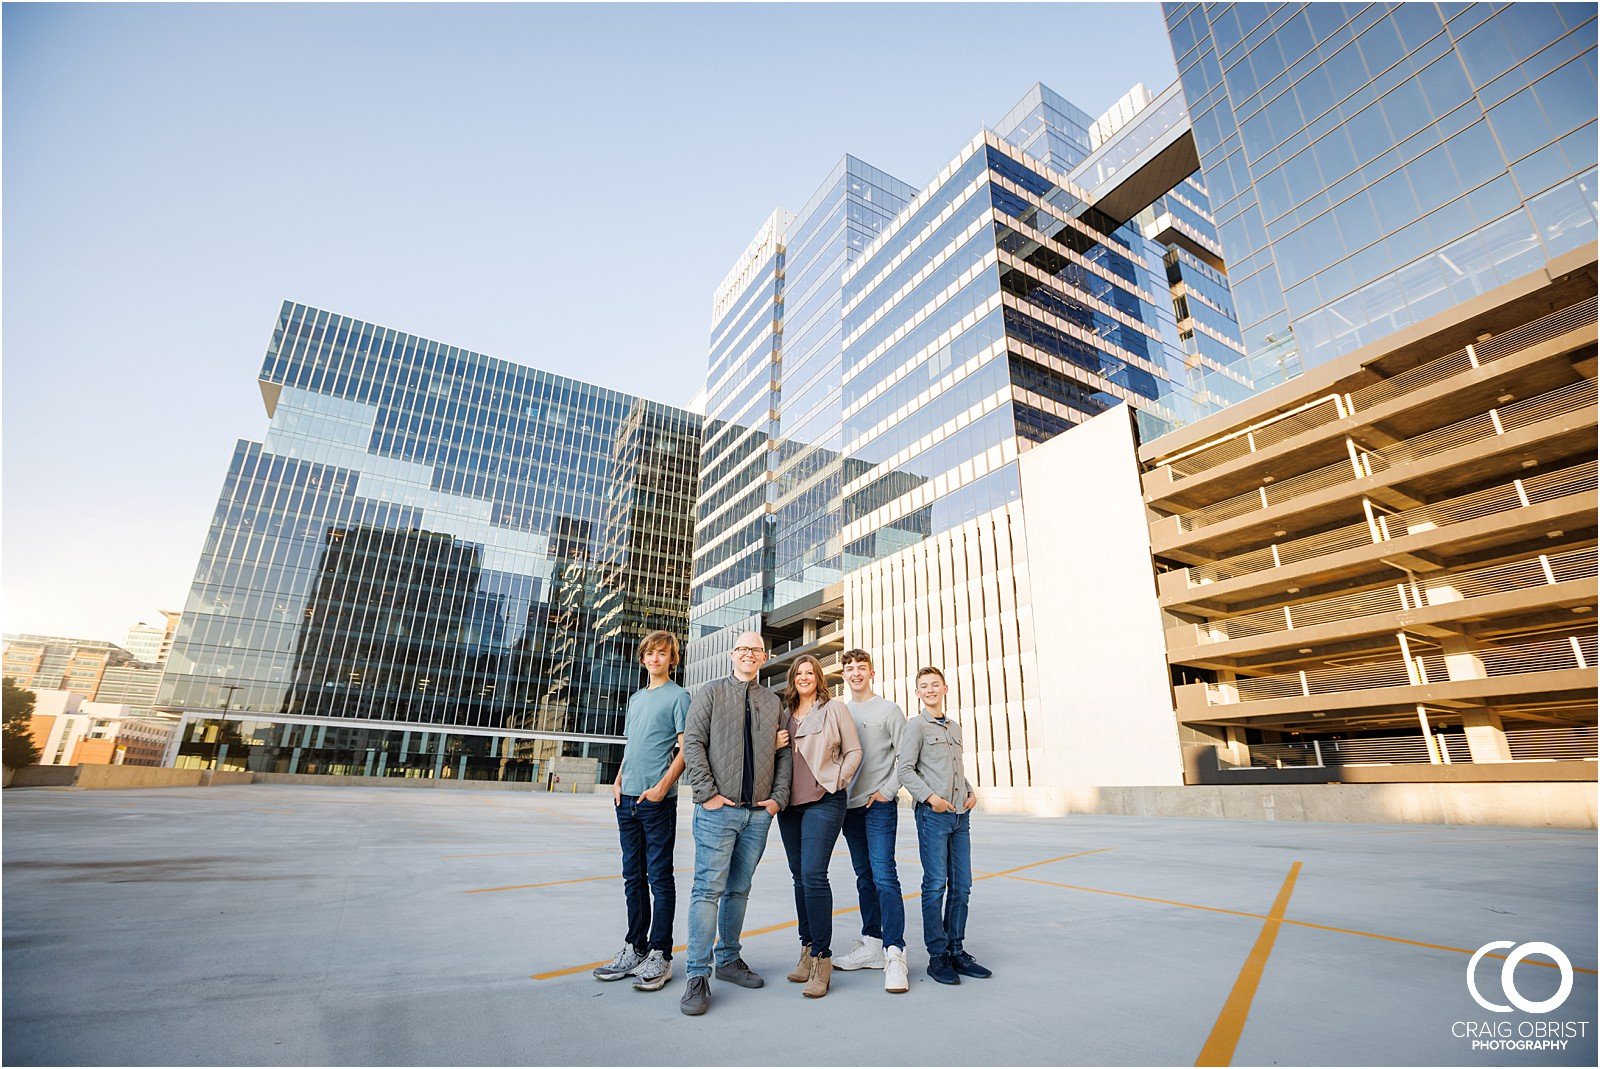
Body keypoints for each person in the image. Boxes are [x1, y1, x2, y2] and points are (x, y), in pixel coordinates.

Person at [678, 631, 791, 1017]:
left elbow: (784, 754)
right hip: (717, 811)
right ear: (732, 654)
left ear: (764, 656)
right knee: (707, 889)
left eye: (755, 650)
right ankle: (697, 975)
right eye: (742, 649)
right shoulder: (709, 693)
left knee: (739, 890)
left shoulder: (771, 701)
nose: (748, 654)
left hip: (757, 814)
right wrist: (706, 793)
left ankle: (728, 959)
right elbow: (691, 743)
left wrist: (777, 799)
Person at [593, 630, 689, 992]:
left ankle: (660, 954)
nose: (655, 659)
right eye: (650, 653)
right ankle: (636, 948)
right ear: (643, 657)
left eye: (662, 654)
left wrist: (662, 789)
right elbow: (632, 745)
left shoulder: (679, 697)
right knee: (632, 877)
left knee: (659, 879)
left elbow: (684, 750)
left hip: (656, 801)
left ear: (671, 659)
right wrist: (618, 781)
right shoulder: (635, 699)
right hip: (627, 799)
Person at [776, 653, 862, 999]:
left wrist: (838, 780)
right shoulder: (783, 716)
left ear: (819, 678)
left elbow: (854, 751)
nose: (805, 678)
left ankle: (823, 958)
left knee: (813, 875)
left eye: (811, 673)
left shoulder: (834, 709)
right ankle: (807, 948)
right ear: (793, 678)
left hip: (824, 801)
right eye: (800, 673)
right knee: (799, 877)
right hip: (789, 806)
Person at [898, 666, 991, 986]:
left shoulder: (954, 727)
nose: (930, 690)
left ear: (945, 688)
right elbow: (906, 771)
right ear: (918, 693)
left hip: (960, 817)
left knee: (962, 885)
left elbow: (954, 768)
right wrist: (932, 799)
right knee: (935, 884)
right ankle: (937, 957)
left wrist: (969, 790)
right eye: (924, 686)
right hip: (933, 816)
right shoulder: (916, 726)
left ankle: (956, 950)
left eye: (935, 684)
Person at [832, 648, 910, 993]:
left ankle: (896, 953)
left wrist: (888, 792)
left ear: (872, 672)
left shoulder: (889, 710)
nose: (855, 673)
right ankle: (873, 945)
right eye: (849, 669)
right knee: (864, 876)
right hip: (848, 808)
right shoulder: (842, 711)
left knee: (884, 876)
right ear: (844, 676)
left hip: (877, 806)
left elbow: (907, 756)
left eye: (861, 668)